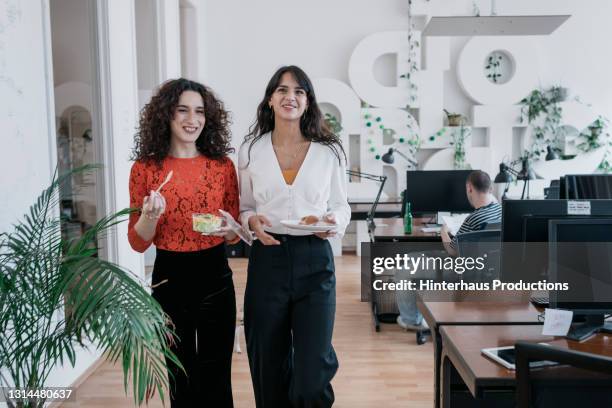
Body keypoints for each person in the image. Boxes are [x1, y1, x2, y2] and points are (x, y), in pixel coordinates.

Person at [238, 65, 351, 407]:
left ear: (308, 101)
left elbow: (341, 206)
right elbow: (244, 207)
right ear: (270, 99)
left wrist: (333, 220)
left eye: (299, 91)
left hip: (314, 260)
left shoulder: (328, 150)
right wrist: (251, 222)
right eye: (283, 90)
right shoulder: (250, 150)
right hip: (267, 260)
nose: (291, 96)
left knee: (312, 372)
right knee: (267, 365)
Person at [128, 78, 239, 407]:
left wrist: (228, 229)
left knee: (216, 375)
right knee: (180, 376)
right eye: (183, 110)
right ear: (166, 115)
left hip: (215, 276)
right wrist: (150, 216)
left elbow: (233, 233)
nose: (193, 119)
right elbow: (137, 243)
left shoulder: (222, 166)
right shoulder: (145, 168)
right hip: (169, 279)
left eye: (200, 111)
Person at [395, 170, 502, 330]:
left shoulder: (473, 219)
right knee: (412, 257)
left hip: (461, 270)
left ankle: (412, 321)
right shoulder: (500, 211)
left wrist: (444, 230)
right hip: (488, 268)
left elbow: (452, 251)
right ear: (490, 189)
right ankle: (427, 310)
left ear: (469, 188)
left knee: (404, 270)